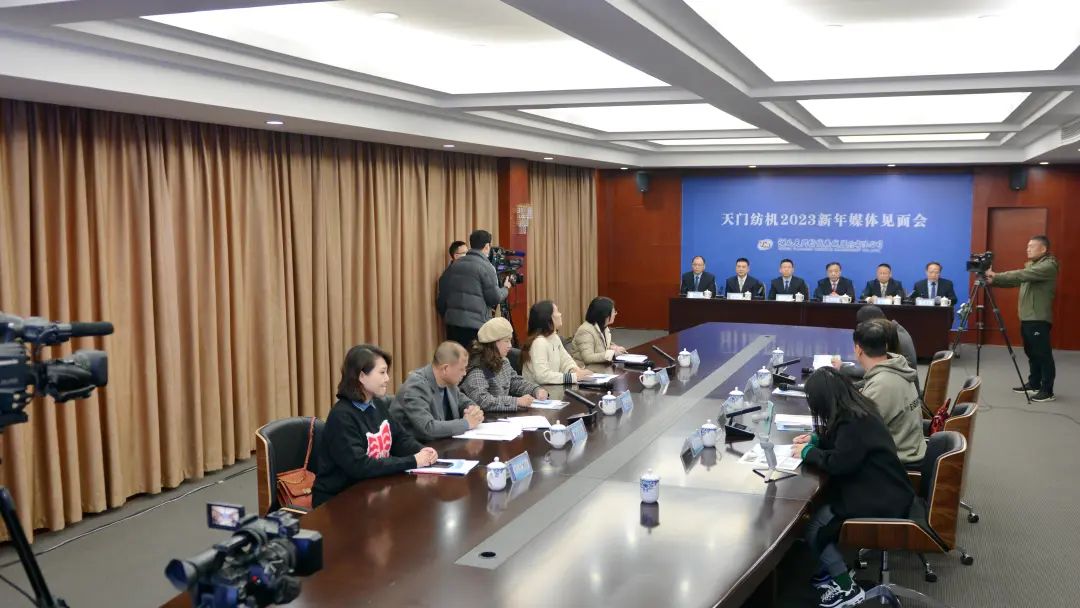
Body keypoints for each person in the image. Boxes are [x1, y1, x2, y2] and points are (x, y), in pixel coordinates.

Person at [792, 367, 915, 608]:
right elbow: (845, 445)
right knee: (823, 511)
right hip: (889, 489)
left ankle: (847, 588)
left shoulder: (853, 423)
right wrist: (816, 440)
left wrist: (808, 452)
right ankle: (833, 571)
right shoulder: (859, 409)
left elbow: (839, 463)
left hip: (880, 499)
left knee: (815, 526)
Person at [312, 345, 437, 507]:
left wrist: (422, 451)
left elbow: (399, 438)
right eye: (382, 372)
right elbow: (360, 466)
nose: (387, 378)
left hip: (372, 491)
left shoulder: (377, 405)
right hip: (339, 500)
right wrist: (413, 461)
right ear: (362, 376)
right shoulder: (341, 416)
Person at [986, 235, 1060, 402]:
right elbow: (1014, 282)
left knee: (1043, 354)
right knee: (1032, 352)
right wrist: (993, 281)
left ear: (1043, 249)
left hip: (1038, 318)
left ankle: (1047, 390)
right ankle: (1034, 383)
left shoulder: (1048, 266)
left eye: (1032, 246)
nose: (1028, 249)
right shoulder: (1033, 266)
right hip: (1027, 317)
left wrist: (996, 275)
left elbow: (1021, 275)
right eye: (1027, 246)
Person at [852, 319, 925, 465]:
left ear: (858, 350)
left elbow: (855, 434)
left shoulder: (881, 385)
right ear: (885, 346)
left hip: (896, 463)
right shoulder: (899, 367)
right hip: (910, 448)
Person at [390, 341, 485, 441]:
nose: (465, 373)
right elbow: (428, 428)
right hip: (415, 446)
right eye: (462, 369)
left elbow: (465, 403)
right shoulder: (416, 386)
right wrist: (466, 423)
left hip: (440, 445)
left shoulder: (449, 383)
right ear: (445, 368)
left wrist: (474, 411)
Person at [436, 229, 512, 348]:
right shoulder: (487, 267)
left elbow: (442, 297)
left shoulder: (454, 265)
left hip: (452, 325)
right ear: (487, 246)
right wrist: (506, 288)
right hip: (475, 326)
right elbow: (494, 298)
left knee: (456, 357)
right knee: (475, 358)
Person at [461, 317, 549, 412]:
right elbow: (482, 401)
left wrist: (536, 390)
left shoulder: (503, 361)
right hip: (484, 418)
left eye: (510, 341)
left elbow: (515, 382)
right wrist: (516, 402)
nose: (510, 346)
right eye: (506, 341)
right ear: (493, 343)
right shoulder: (477, 368)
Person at [836, 306, 919, 392]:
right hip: (898, 385)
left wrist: (844, 368)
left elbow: (876, 369)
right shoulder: (894, 329)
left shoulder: (892, 336)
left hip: (898, 389)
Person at [522, 300, 593, 385]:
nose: (560, 314)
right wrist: (573, 377)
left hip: (552, 388)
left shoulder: (554, 337)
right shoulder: (539, 342)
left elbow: (565, 360)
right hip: (538, 390)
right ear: (548, 318)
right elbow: (542, 376)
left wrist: (575, 370)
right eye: (557, 311)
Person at [570, 296, 628, 364]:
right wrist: (612, 353)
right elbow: (588, 358)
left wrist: (615, 347)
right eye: (613, 312)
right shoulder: (585, 331)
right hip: (585, 368)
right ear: (604, 314)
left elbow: (602, 344)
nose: (615, 314)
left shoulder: (603, 327)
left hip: (599, 366)